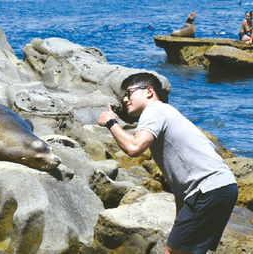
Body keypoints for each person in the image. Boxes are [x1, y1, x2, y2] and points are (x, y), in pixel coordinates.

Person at [98, 73, 237, 254]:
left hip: (207, 189)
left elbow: (134, 147)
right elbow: (181, 191)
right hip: (223, 187)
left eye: (129, 92)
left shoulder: (154, 110)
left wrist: (111, 123)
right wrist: (178, 224)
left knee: (173, 252)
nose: (125, 99)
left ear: (149, 91)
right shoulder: (168, 113)